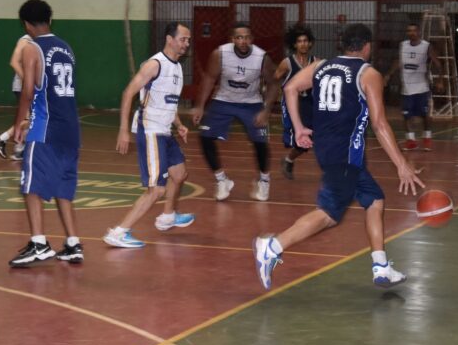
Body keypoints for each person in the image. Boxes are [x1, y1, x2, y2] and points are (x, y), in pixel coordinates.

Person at [252, 23, 424, 290]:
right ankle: (272, 246)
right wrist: (401, 164)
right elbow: (379, 124)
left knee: (374, 199)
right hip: (345, 154)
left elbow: (290, 89)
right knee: (329, 215)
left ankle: (381, 266)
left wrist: (298, 128)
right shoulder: (368, 74)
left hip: (328, 149)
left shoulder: (322, 65)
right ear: (367, 46)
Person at [103, 22, 195, 248]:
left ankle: (167, 216)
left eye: (188, 40)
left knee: (180, 173)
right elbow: (128, 93)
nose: (186, 44)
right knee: (157, 189)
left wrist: (179, 124)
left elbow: (168, 101)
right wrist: (124, 130)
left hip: (165, 129)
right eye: (183, 39)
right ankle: (119, 232)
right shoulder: (155, 65)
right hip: (151, 129)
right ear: (169, 39)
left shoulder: (178, 67)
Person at [8, 0, 84, 267]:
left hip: (46, 127)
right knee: (63, 188)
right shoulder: (66, 47)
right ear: (50, 20)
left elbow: (28, 89)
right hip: (71, 128)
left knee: (31, 186)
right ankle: (73, 243)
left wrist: (20, 122)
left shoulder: (32, 48)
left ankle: (39, 243)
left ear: (26, 25)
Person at [191, 23, 278, 201]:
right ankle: (222, 180)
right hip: (224, 101)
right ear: (232, 40)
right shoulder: (220, 54)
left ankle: (264, 181)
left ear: (251, 39)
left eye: (246, 37)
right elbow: (209, 78)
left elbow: (274, 84)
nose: (243, 41)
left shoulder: (262, 57)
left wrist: (266, 109)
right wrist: (200, 106)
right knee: (205, 137)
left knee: (260, 142)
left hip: (251, 103)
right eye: (239, 37)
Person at [384, 22, 441, 151]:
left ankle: (427, 138)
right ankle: (411, 141)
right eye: (409, 31)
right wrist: (388, 75)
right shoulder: (403, 45)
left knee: (425, 115)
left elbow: (438, 64)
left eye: (414, 31)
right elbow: (398, 61)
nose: (411, 33)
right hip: (407, 88)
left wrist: (440, 80)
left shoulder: (426, 46)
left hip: (422, 87)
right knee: (406, 115)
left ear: (419, 32)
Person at [275, 25, 319, 180]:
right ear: (294, 44)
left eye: (306, 41)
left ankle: (288, 160)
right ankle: (288, 160)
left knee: (310, 137)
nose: (303, 44)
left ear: (310, 43)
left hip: (310, 103)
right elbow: (274, 80)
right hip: (292, 103)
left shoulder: (316, 62)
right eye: (299, 41)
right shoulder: (287, 63)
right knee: (296, 138)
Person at [0, 33, 33, 160]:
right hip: (22, 87)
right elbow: (14, 63)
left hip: (26, 87)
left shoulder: (36, 41)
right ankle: (5, 141)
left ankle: (17, 148)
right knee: (29, 120)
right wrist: (27, 80)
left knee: (28, 120)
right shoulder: (26, 40)